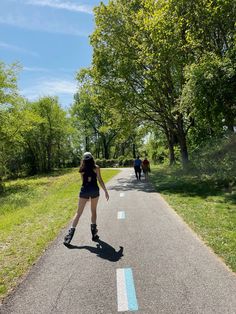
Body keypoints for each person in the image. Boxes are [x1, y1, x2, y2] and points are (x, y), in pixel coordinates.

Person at [63, 152, 109, 246]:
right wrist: (105, 191)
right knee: (93, 211)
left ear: (83, 160)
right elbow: (100, 180)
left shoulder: (81, 169)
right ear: (92, 158)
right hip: (94, 190)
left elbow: (83, 182)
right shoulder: (96, 168)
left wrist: (86, 195)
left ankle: (69, 235)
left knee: (78, 213)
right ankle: (94, 233)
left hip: (84, 191)